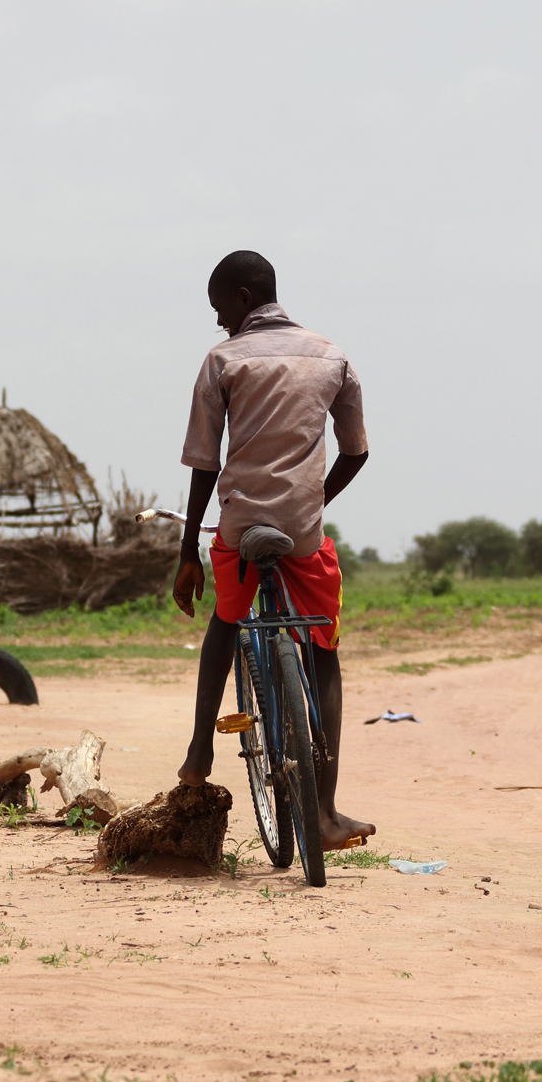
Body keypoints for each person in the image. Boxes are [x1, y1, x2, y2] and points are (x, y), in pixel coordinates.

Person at [174, 249, 375, 850]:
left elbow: (204, 463)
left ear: (241, 296)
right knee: (325, 646)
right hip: (303, 529)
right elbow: (357, 451)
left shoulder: (223, 359)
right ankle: (327, 812)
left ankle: (199, 750)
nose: (217, 321)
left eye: (219, 307)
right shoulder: (332, 356)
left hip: (239, 526)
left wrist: (189, 550)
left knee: (226, 621)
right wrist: (315, 501)